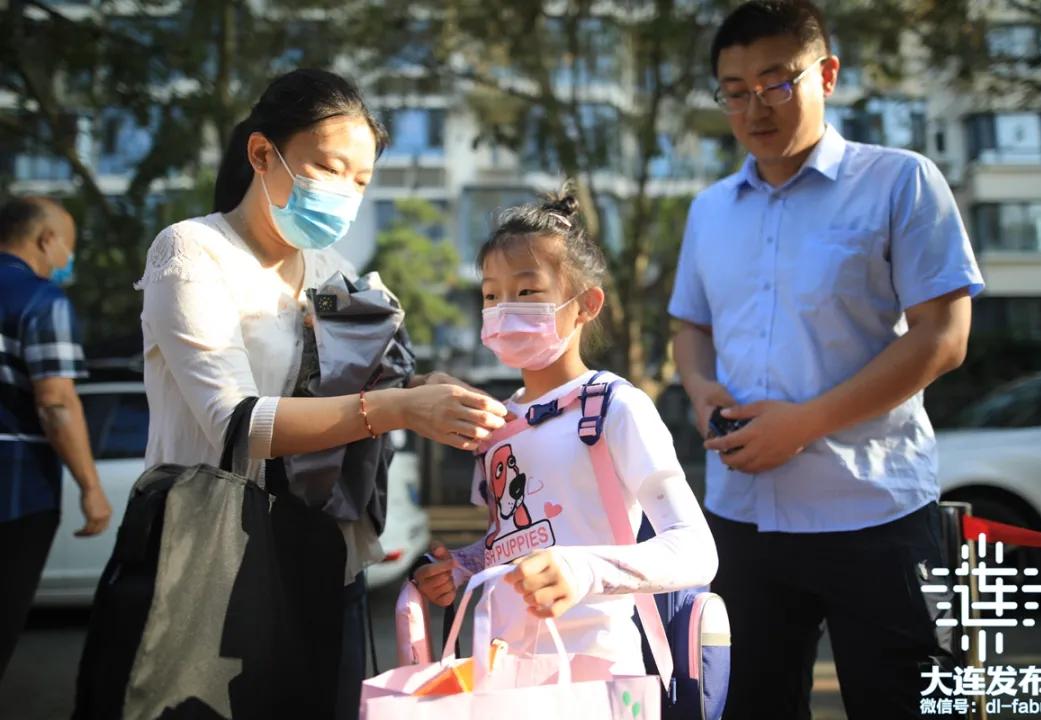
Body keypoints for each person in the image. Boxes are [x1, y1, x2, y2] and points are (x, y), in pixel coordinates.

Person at [134, 68, 507, 719]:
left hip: (325, 557)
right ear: (261, 153)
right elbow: (237, 425)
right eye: (329, 168)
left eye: (360, 181)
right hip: (209, 560)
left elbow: (367, 383)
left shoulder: (336, 274)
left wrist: (422, 388)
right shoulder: (191, 253)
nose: (344, 193)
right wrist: (395, 408)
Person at [667, 2, 985, 718]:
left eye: (777, 82)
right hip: (742, 518)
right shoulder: (710, 210)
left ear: (827, 74)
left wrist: (805, 423)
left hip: (873, 511)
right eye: (735, 90)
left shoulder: (901, 181)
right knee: (748, 706)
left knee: (902, 703)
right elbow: (689, 324)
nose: (755, 107)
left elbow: (944, 336)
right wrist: (699, 385)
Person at [414, 189, 717, 674]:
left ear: (586, 305)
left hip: (598, 674)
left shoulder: (615, 407)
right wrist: (463, 567)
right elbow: (514, 540)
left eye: (527, 291)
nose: (503, 308)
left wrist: (584, 569)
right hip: (501, 674)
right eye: (491, 294)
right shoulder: (495, 428)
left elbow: (696, 552)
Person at [0, 196, 112, 681]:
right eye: (69, 245)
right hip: (15, 494)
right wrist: (90, 487)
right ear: (46, 239)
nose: (69, 258)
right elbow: (55, 402)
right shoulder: (40, 299)